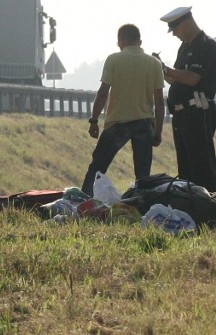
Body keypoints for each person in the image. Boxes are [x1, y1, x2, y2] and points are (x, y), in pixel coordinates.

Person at [81, 24, 165, 197]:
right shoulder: (154, 63)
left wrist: (94, 120)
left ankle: (84, 202)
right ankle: (141, 205)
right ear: (140, 42)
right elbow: (159, 102)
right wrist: (158, 132)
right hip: (144, 123)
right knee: (143, 175)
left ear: (121, 41)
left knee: (98, 167)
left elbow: (103, 93)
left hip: (117, 123)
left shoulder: (114, 59)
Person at [159, 7, 216, 192]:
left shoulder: (207, 45)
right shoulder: (184, 47)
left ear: (186, 23)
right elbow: (176, 78)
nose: (174, 34)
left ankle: (208, 206)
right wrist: (160, 69)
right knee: (185, 167)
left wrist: (166, 69)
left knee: (202, 166)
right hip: (181, 114)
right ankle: (191, 204)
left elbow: (193, 78)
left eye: (175, 29)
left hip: (198, 112)